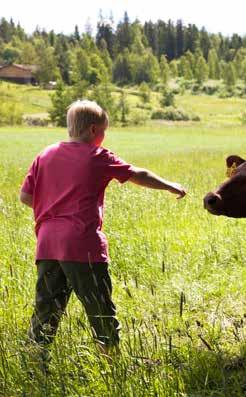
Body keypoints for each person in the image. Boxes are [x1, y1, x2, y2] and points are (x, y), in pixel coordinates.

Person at [19, 99, 186, 357]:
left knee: (45, 314)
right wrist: (170, 185)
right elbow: (136, 174)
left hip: (47, 244)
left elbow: (26, 197)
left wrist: (53, 212)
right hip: (82, 244)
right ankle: (111, 369)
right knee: (101, 312)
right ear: (94, 130)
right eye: (104, 131)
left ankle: (32, 366)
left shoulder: (45, 154)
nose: (104, 137)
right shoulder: (97, 156)